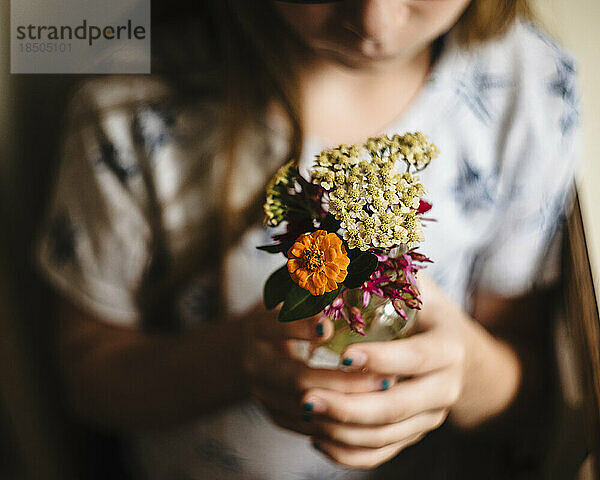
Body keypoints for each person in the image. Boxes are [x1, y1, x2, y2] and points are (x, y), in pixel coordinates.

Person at [34, 0, 580, 478]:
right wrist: (239, 358)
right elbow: (89, 380)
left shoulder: (529, 93)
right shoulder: (130, 105)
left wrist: (464, 367)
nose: (374, 22)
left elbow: (529, 395)